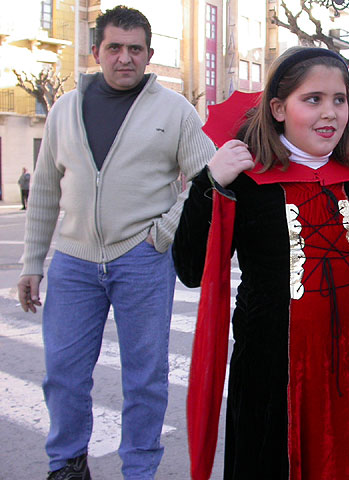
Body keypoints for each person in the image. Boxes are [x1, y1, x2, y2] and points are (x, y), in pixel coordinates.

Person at [172, 46, 349, 480]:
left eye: (339, 99)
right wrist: (208, 184)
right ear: (278, 108)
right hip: (274, 374)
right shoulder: (247, 181)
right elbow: (190, 268)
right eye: (313, 99)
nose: (330, 113)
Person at [17, 6, 214, 480]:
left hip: (141, 259)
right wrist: (32, 262)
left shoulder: (175, 111)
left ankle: (139, 471)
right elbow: (45, 188)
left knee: (144, 378)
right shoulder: (66, 108)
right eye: (114, 48)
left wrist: (164, 230)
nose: (124, 58)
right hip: (73, 259)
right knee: (62, 374)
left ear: (149, 55)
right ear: (96, 52)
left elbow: (206, 180)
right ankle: (66, 464)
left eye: (135, 49)